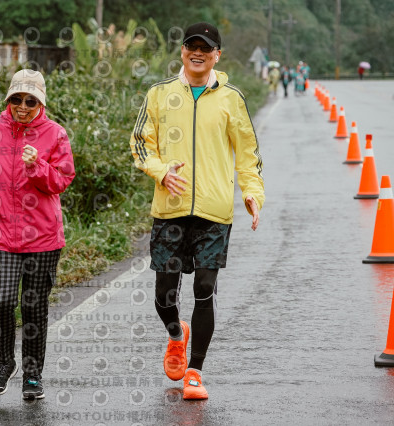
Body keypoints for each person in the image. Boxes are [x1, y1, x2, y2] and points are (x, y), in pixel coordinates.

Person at [129, 22, 265, 400]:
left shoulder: (231, 99)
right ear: (183, 52)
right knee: (164, 295)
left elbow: (249, 154)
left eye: (205, 48)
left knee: (205, 288)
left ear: (217, 55)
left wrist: (252, 194)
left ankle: (194, 372)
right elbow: (141, 144)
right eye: (192, 46)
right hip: (170, 209)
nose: (198, 53)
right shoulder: (159, 94)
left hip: (213, 211)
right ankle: (177, 334)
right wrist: (160, 171)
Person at [0, 69, 75, 400]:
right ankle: (3, 363)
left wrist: (37, 165)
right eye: (17, 99)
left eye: (31, 101)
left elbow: (62, 180)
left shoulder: (55, 134)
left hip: (43, 237)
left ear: (41, 103)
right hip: (1, 233)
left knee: (34, 307)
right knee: (1, 300)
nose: (23, 107)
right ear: (9, 99)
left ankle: (32, 375)